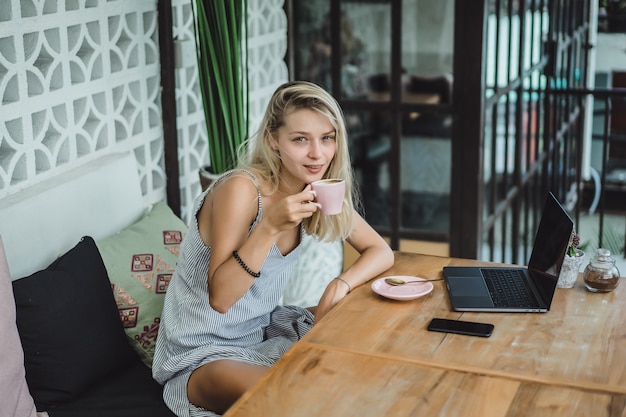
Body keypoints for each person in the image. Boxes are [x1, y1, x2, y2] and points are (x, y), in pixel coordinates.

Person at [152, 81, 394, 417]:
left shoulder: (316, 188)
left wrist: (339, 285)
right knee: (298, 398)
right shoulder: (241, 189)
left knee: (372, 347)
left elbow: (381, 251)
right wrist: (269, 227)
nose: (317, 154)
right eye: (300, 139)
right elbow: (220, 298)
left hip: (263, 335)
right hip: (202, 355)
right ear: (272, 139)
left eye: (327, 138)